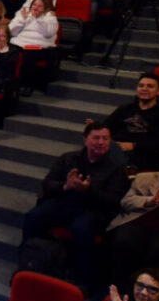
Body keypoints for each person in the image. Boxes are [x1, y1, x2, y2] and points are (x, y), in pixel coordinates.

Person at [21, 122, 129, 289]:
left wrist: (88, 190)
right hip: (65, 202)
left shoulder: (116, 168)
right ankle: (29, 263)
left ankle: (85, 280)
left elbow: (114, 200)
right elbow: (48, 184)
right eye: (96, 138)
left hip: (94, 210)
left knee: (81, 228)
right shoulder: (68, 158)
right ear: (85, 140)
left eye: (105, 139)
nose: (101, 142)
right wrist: (66, 186)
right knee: (33, 217)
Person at [107, 151, 159, 291]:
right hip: (139, 220)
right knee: (125, 241)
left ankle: (150, 293)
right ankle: (119, 290)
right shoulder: (144, 178)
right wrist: (150, 201)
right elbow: (126, 202)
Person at [96, 72, 159, 171]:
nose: (144, 89)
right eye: (141, 86)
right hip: (115, 148)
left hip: (144, 155)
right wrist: (95, 129)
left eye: (150, 86)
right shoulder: (124, 109)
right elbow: (107, 128)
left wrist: (134, 145)